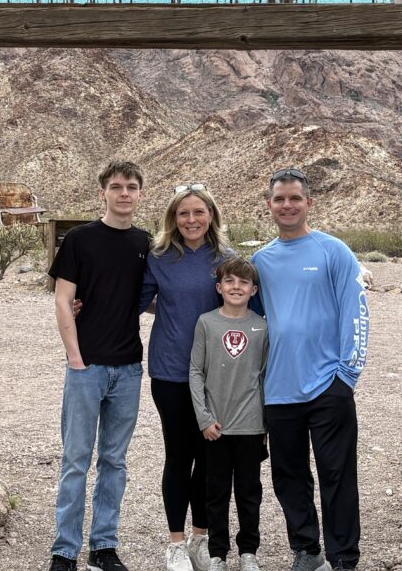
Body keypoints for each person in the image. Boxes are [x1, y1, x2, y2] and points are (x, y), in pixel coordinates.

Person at [251, 167, 370, 571]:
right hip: (278, 388)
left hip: (328, 386)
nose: (287, 205)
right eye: (279, 199)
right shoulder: (260, 261)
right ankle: (306, 549)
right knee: (288, 476)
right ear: (269, 206)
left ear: (308, 203)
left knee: (337, 474)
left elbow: (356, 314)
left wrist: (346, 376)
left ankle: (343, 558)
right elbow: (243, 316)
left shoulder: (333, 251)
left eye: (295, 199)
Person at [47, 161, 152, 571]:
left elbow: (150, 297)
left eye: (131, 187)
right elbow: (62, 299)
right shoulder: (79, 240)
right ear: (103, 192)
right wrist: (75, 357)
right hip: (87, 366)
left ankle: (104, 545)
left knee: (114, 460)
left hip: (128, 367)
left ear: (140, 193)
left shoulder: (145, 243)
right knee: (76, 458)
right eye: (115, 186)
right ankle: (64, 550)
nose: (123, 193)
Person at [140, 184, 233, 571]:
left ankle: (201, 540)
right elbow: (138, 298)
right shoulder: (159, 257)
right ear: (172, 219)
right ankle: (175, 544)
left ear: (211, 215)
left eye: (198, 212)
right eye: (183, 213)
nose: (191, 220)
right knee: (179, 455)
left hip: (217, 374)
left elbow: (243, 304)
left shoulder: (226, 257)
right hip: (171, 370)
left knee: (210, 459)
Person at [188, 257, 268, 571]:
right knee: (216, 492)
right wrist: (204, 418)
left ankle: (248, 552)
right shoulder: (207, 323)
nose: (237, 287)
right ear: (219, 287)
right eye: (230, 281)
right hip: (216, 427)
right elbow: (196, 371)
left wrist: (266, 423)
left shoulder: (261, 326)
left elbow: (264, 375)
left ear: (254, 289)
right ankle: (218, 554)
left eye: (243, 282)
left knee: (249, 493)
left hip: (250, 426)